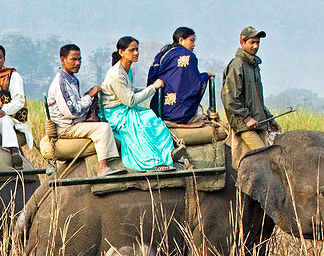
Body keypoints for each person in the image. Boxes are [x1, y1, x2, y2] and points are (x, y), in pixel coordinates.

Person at [100, 36, 179, 171]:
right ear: (121, 52)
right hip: (115, 112)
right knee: (140, 126)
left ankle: (167, 154)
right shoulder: (116, 74)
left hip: (125, 108)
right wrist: (153, 88)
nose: (136, 53)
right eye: (132, 50)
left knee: (152, 118)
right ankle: (153, 162)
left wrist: (152, 88)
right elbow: (130, 101)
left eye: (137, 49)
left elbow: (131, 90)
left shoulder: (128, 69)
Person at [46, 44, 125, 176]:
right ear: (63, 59)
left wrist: (88, 95)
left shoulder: (71, 79)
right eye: (73, 59)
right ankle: (103, 167)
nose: (77, 63)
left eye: (80, 59)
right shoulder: (61, 82)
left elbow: (76, 103)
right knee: (103, 128)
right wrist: (90, 96)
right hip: (68, 127)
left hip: (76, 123)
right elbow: (72, 112)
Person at [222, 26, 278, 150]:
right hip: (244, 126)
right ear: (242, 43)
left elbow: (256, 100)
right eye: (252, 42)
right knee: (265, 156)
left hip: (258, 124)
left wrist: (270, 119)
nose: (255, 46)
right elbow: (229, 98)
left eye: (258, 43)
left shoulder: (253, 66)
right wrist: (247, 118)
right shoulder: (238, 65)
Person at [147, 26, 213, 124]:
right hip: (181, 113)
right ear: (181, 40)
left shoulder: (162, 55)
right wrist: (206, 76)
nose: (194, 44)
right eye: (192, 40)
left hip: (159, 108)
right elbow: (195, 83)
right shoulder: (188, 56)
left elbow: (151, 79)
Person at [0, 44, 34, 166]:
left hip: (8, 115)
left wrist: (4, 111)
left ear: (4, 59)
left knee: (4, 121)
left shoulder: (13, 76)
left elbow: (19, 100)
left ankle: (14, 151)